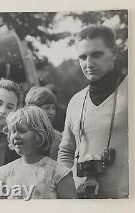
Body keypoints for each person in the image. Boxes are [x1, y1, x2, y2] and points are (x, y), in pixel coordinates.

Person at [57, 25, 128, 198]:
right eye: (82, 57)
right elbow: (66, 152)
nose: (89, 64)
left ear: (114, 52)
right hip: (83, 201)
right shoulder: (75, 101)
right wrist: (69, 189)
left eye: (96, 54)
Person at [0, 106, 76, 199]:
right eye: (13, 131)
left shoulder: (58, 173)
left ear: (39, 134)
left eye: (22, 131)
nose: (15, 136)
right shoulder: (5, 173)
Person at [25, 86, 62, 160]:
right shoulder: (21, 135)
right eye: (47, 108)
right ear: (33, 109)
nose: (52, 112)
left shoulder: (58, 137)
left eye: (54, 108)